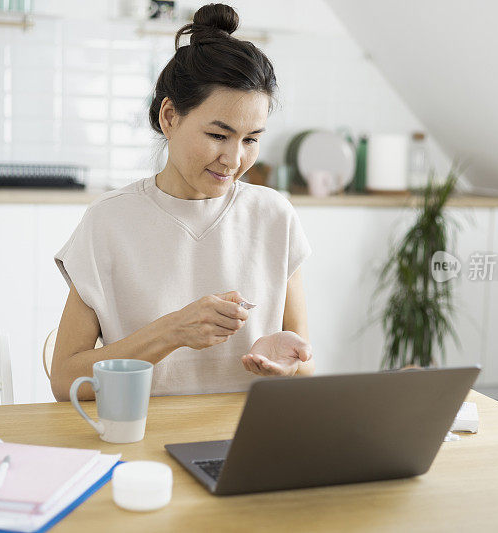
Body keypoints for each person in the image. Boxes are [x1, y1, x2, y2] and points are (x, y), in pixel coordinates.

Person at [50, 3, 314, 402]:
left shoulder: (274, 216)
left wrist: (288, 365)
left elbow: (306, 366)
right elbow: (65, 380)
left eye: (251, 139)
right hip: (140, 437)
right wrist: (172, 331)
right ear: (169, 117)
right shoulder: (109, 222)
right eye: (218, 135)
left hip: (247, 442)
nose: (234, 158)